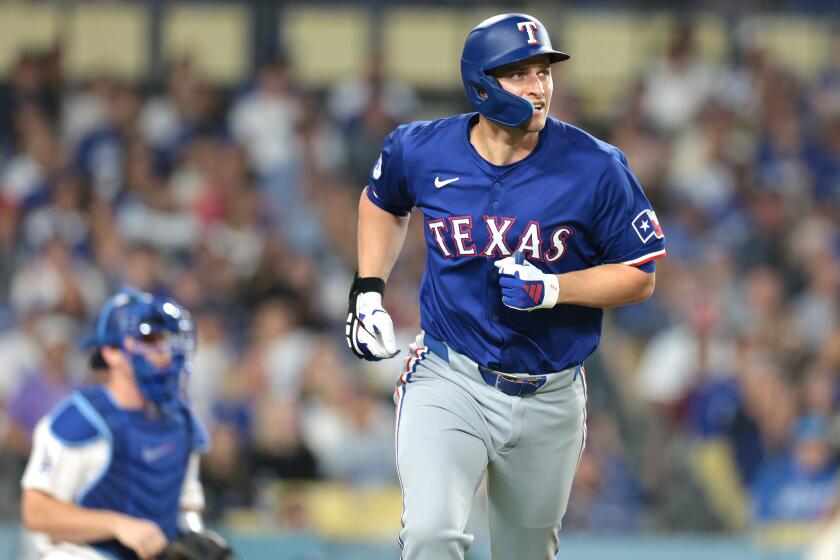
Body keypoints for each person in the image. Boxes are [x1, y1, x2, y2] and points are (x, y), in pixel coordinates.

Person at [345, 13, 666, 560]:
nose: (537, 87)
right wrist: (368, 290)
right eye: (519, 73)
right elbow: (383, 202)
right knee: (431, 534)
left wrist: (555, 290)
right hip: (451, 376)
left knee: (525, 553)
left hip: (550, 393)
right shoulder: (422, 149)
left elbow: (640, 275)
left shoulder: (596, 166)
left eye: (543, 72)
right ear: (481, 83)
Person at [20, 288, 211, 559]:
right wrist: (116, 524)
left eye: (166, 339)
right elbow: (36, 512)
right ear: (112, 352)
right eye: (149, 339)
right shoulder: (83, 418)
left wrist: (196, 536)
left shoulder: (182, 422)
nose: (163, 351)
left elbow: (187, 506)